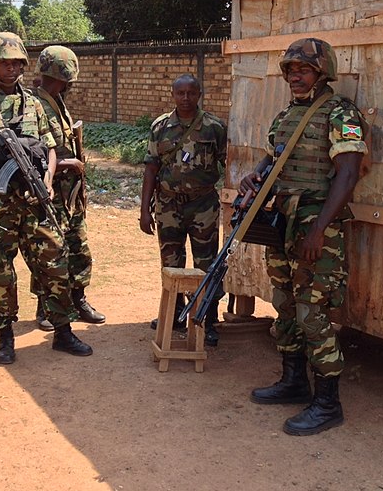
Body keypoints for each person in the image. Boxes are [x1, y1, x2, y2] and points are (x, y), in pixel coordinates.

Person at [239, 38, 367, 436]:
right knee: (286, 304)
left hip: (316, 224)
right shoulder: (287, 115)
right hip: (283, 222)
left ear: (322, 72)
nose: (295, 77)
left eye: (304, 70)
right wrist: (254, 175)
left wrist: (318, 230)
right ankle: (294, 381)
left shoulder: (341, 112)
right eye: (291, 71)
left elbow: (347, 175)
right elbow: (274, 158)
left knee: (313, 313)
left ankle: (328, 403)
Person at [0, 32, 92, 363]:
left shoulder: (33, 103)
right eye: (4, 63)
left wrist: (47, 179)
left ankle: (62, 331)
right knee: (2, 271)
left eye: (16, 63)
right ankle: (5, 337)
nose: (11, 69)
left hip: (34, 198)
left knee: (54, 261)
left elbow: (48, 146)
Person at [139, 74, 227, 346]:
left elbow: (229, 164)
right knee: (171, 262)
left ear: (199, 94)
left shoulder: (214, 127)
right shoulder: (161, 126)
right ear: (173, 95)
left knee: (207, 264)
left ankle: (207, 319)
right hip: (168, 205)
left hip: (203, 206)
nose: (186, 98)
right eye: (181, 93)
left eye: (191, 93)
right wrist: (144, 210)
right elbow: (151, 168)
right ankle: (174, 314)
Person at [31, 45, 105, 329]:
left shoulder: (57, 101)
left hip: (70, 195)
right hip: (49, 192)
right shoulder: (35, 105)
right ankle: (44, 307)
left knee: (78, 248)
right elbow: (32, 155)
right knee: (48, 252)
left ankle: (78, 299)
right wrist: (66, 164)